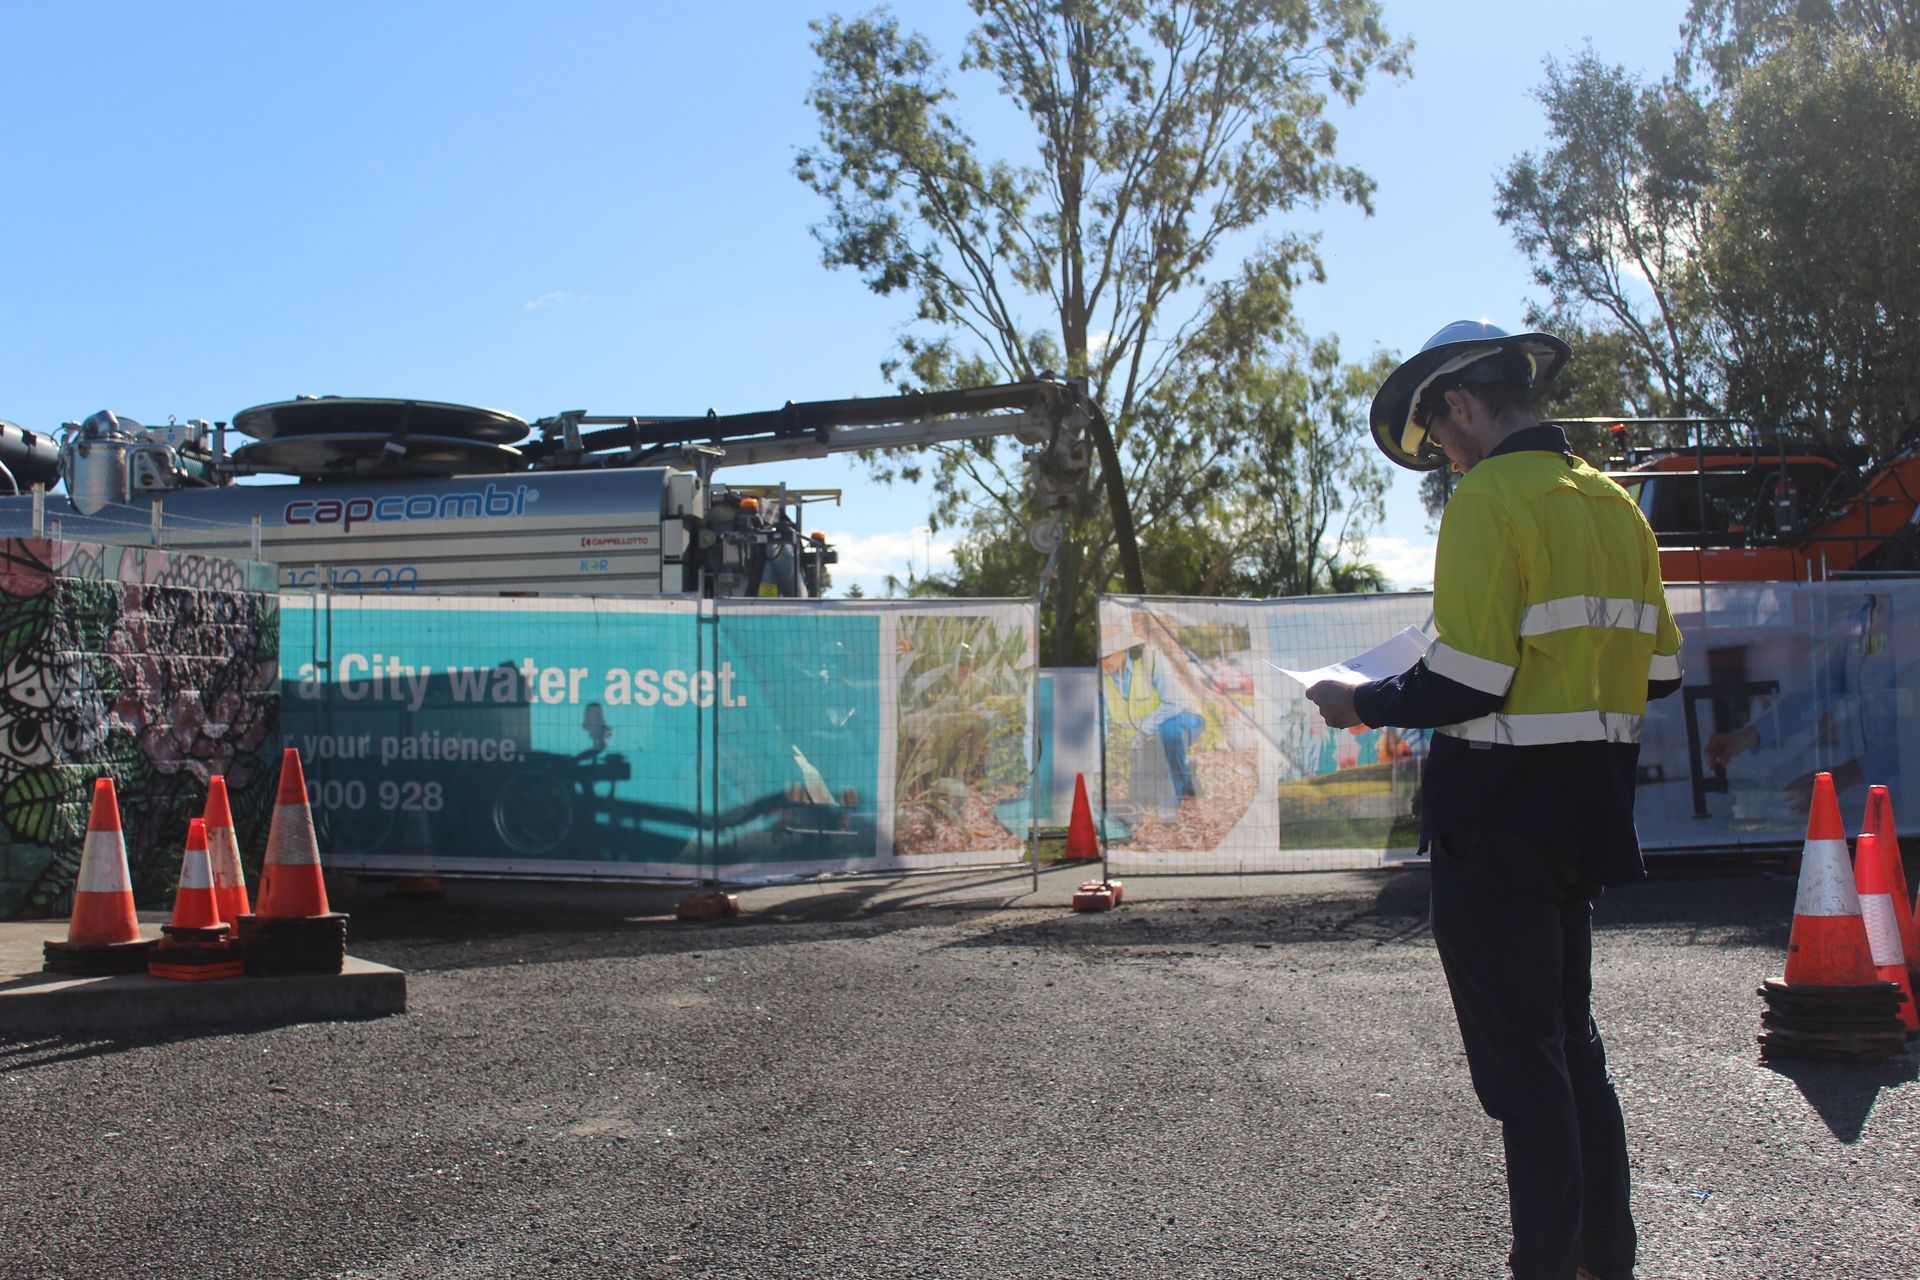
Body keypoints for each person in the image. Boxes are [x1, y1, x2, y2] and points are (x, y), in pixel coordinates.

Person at [1306, 320, 1683, 1280]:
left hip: (1497, 820)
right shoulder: (1615, 506)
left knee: (1526, 1078)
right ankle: (1607, 1258)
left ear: (1460, 405)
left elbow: (1469, 680)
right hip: (1587, 817)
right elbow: (1665, 673)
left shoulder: (1485, 503)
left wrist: (1358, 702)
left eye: (1438, 439)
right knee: (1572, 1050)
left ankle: (1544, 1269)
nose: (1443, 458)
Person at [1704, 590, 1899, 811]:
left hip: (1909, 809)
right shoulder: (1861, 616)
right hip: (1869, 808)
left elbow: (1910, 739)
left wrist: (1849, 774)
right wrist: (1746, 737)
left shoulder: (1909, 608)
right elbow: (1819, 690)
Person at [1100, 613, 1208, 822]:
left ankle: (1169, 807)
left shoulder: (1151, 659)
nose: (1103, 663)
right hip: (1153, 727)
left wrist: (1144, 730)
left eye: (1108, 656)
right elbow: (1103, 717)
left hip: (1185, 717)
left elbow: (1174, 702)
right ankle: (1186, 781)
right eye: (1100, 657)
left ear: (1123, 648)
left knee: (1167, 732)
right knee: (1154, 752)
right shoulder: (1103, 677)